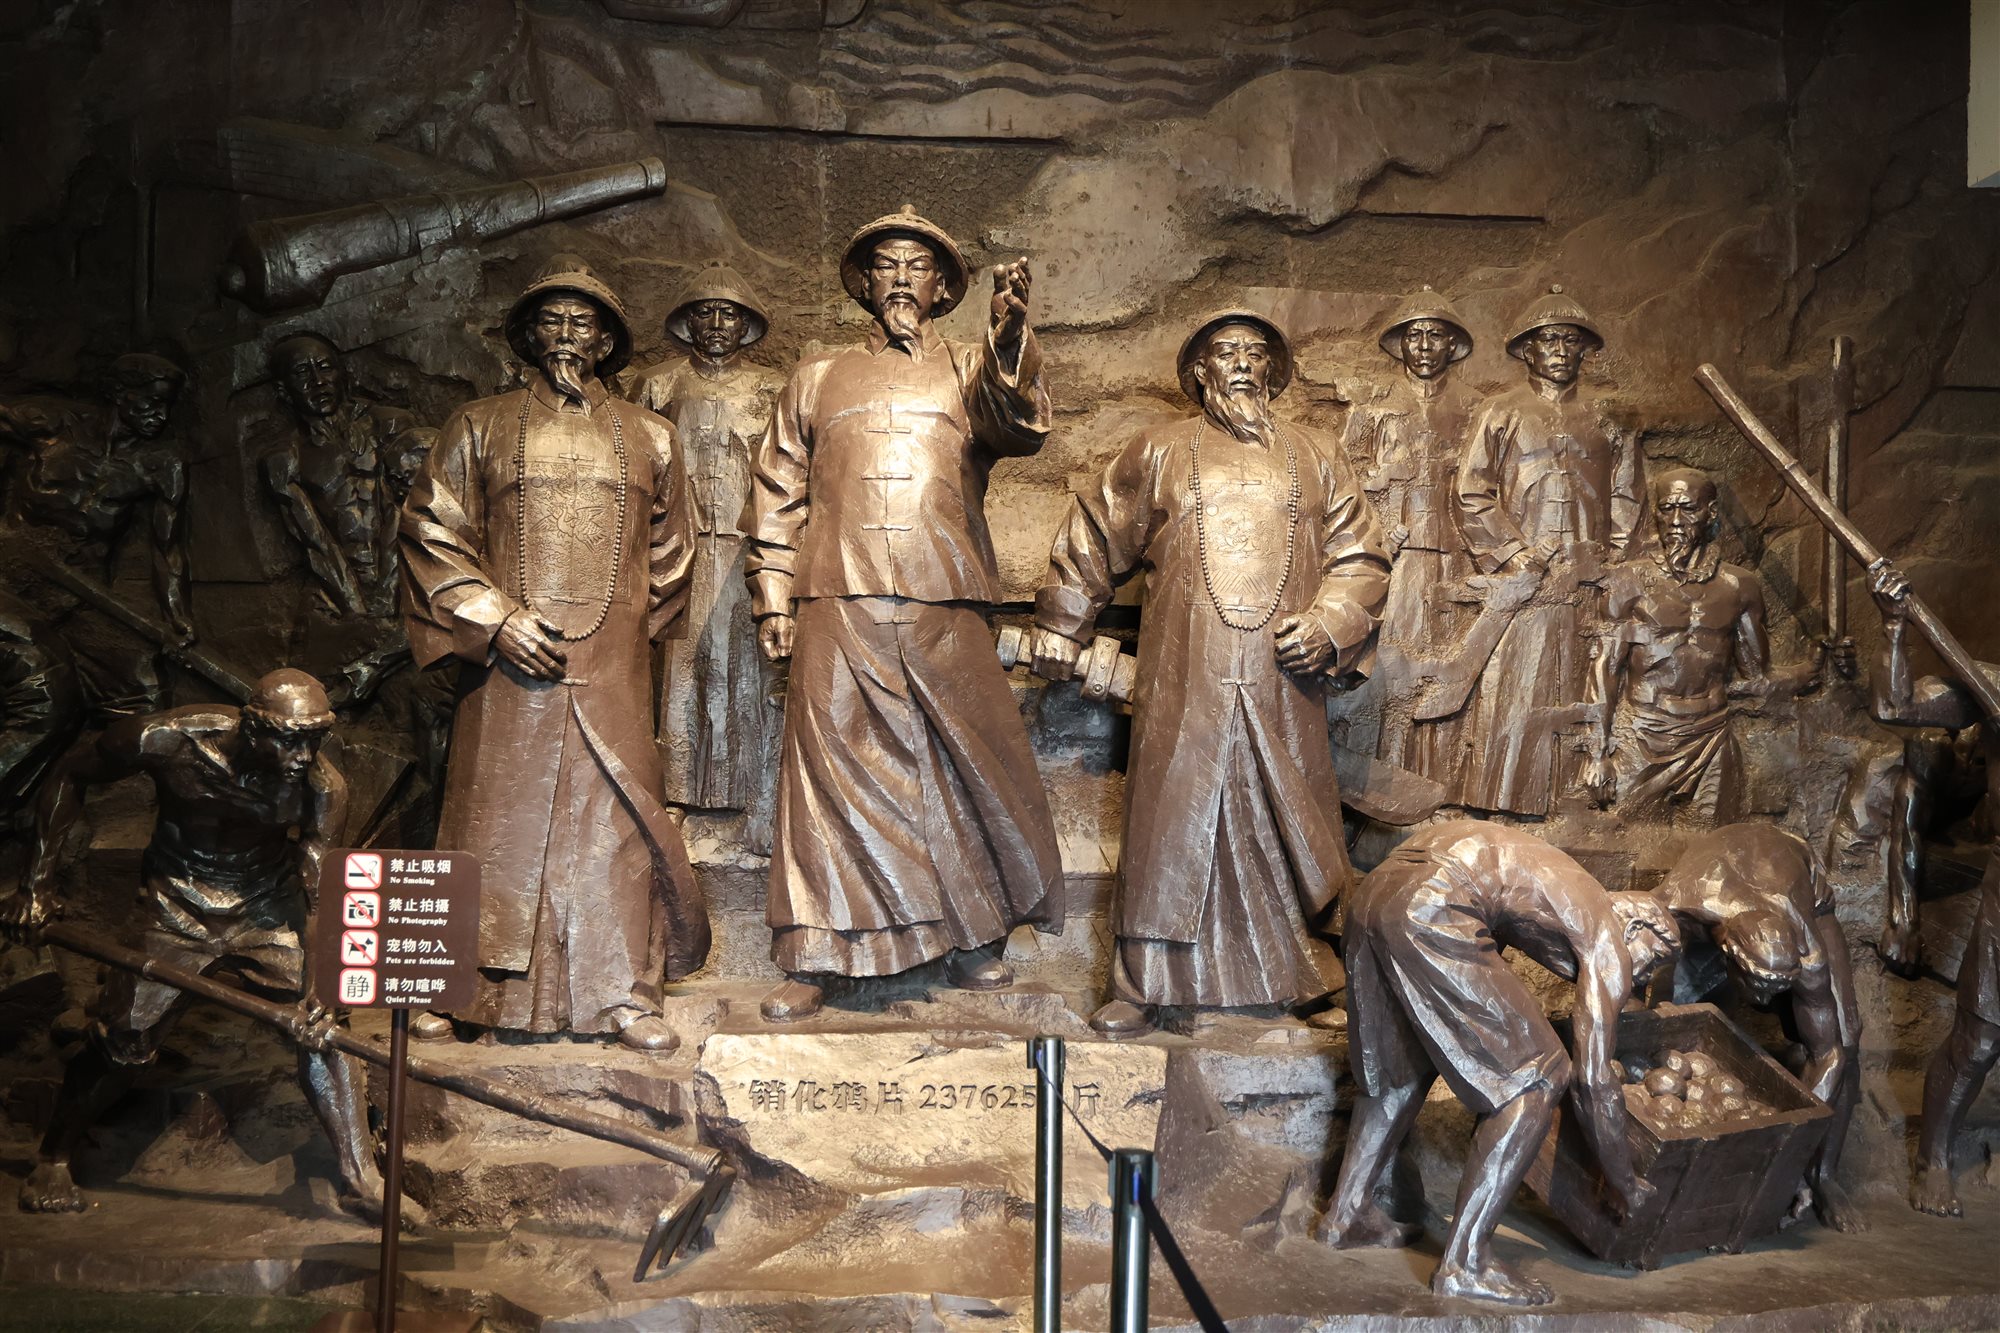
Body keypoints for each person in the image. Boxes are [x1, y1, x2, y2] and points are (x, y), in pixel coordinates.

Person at [744, 205, 1065, 1023]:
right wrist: (773, 594)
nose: (900, 279)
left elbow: (1020, 424)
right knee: (827, 776)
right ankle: (815, 951)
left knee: (962, 764)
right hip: (836, 595)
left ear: (941, 287)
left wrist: (1010, 337)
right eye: (886, 264)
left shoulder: (969, 366)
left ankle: (972, 936)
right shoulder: (817, 376)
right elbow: (778, 488)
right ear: (864, 282)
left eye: (916, 266)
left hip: (942, 593)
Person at [1031, 310, 1389, 1036]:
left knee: (1285, 821)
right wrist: (1062, 624)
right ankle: (1144, 983)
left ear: (1274, 372)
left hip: (1283, 681)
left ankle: (1311, 975)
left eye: (1256, 354)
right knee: (1171, 820)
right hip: (1183, 673)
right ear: (1200, 371)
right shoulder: (1159, 450)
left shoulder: (1317, 455)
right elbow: (1095, 533)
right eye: (1226, 353)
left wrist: (1329, 624)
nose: (1242, 365)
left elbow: (1362, 557)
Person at [400, 254, 705, 1050]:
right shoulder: (478, 425)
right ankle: (457, 988)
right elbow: (431, 530)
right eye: (552, 321)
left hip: (611, 668)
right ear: (529, 336)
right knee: (491, 819)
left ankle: (624, 995)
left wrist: (618, 635)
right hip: (508, 667)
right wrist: (494, 618)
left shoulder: (653, 437)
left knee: (613, 830)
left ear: (606, 341)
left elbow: (674, 555)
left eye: (583, 323)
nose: (567, 335)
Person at [0, 670, 383, 1219]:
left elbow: (320, 890)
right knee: (125, 1040)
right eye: (290, 739)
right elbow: (69, 774)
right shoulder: (166, 739)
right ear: (252, 727)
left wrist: (321, 987)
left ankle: (360, 1177)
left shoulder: (322, 790)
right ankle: (53, 1157)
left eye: (315, 739)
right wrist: (36, 884)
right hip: (174, 906)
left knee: (325, 1030)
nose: (304, 756)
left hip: (267, 909)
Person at [1321, 820, 1678, 1306]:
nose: (1644, 977)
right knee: (1537, 1078)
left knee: (1398, 1072)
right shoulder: (1609, 934)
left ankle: (1346, 1215)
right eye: (1653, 959)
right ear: (1637, 927)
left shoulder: (1564, 891)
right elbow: (1591, 1082)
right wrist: (1624, 1182)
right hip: (1434, 900)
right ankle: (1465, 1263)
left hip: (1377, 892)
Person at [1454, 287, 1641, 816]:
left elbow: (1628, 497)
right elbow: (1472, 490)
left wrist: (1612, 566)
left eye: (1570, 340)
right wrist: (1514, 553)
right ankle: (1501, 803)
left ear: (1584, 350)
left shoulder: (1607, 419)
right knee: (1514, 685)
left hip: (1586, 581)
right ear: (1528, 350)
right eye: (1549, 340)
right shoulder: (1501, 412)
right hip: (1525, 580)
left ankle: (1574, 803)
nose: (1560, 350)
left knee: (1587, 680)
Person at [626, 261, 783, 834]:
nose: (717, 324)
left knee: (745, 669)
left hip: (746, 552)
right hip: (676, 550)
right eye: (705, 313)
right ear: (687, 322)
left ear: (746, 324)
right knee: (679, 671)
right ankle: (672, 788)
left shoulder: (773, 388)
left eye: (729, 314)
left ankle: (749, 789)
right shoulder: (658, 385)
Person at [1582, 468, 1830, 824]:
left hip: (1711, 738)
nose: (1676, 521)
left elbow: (1757, 676)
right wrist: (1597, 753)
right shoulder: (1627, 583)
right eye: (1666, 509)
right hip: (1643, 737)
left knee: (1716, 844)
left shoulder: (1739, 586)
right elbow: (1604, 671)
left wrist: (1813, 668)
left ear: (1710, 512)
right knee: (1617, 831)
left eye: (1687, 508)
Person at [1867, 560, 2000, 1216]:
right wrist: (1894, 626)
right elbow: (1895, 707)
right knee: (1980, 1038)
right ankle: (1934, 1157)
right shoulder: (1992, 689)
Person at [1655, 823, 1864, 1230]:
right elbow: (1644, 986)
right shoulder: (1680, 902)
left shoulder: (1807, 951)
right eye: (1760, 989)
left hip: (1803, 886)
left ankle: (1823, 1175)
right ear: (1730, 954)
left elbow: (1829, 1055)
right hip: (1723, 872)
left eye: (1778, 990)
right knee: (1671, 1020)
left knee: (1847, 1040)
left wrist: (1789, 1159)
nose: (1767, 1005)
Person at [1332, 286, 1479, 781]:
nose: (1423, 346)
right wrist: (1384, 479)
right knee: (1390, 661)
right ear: (1400, 344)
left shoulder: (1476, 408)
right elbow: (1343, 476)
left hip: (1456, 552)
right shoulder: (1374, 405)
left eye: (1434, 336)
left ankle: (1441, 779)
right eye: (1414, 335)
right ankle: (1375, 776)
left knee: (1446, 662)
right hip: (1393, 551)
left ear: (1452, 344)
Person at [0, 352, 192, 718]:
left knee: (143, 691)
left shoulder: (161, 466)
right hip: (11, 575)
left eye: (167, 405)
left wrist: (177, 615)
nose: (161, 415)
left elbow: (167, 548)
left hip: (78, 594)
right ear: (119, 393)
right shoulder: (52, 424)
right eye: (151, 402)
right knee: (40, 678)